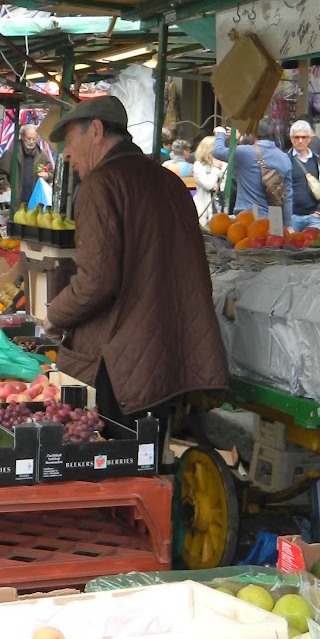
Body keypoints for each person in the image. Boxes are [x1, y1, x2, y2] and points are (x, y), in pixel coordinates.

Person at [42, 96, 228, 423]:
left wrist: (55, 314)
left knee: (117, 465)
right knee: (149, 461)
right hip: (173, 353)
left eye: (70, 141)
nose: (66, 153)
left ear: (96, 131)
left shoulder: (100, 184)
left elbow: (96, 282)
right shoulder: (168, 180)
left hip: (123, 365)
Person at [230, 131, 294, 225]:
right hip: (273, 219)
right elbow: (288, 195)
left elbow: (218, 151)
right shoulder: (284, 157)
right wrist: (288, 225)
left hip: (247, 217)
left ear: (252, 134)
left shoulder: (244, 152)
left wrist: (220, 133)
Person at [287, 119, 320, 232]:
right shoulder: (285, 160)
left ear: (309, 139)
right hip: (293, 217)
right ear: (291, 139)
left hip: (313, 217)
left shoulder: (318, 161)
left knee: (316, 248)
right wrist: (288, 215)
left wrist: (319, 212)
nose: (300, 141)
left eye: (304, 137)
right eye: (296, 137)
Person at [0, 123, 51, 208]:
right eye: (28, 138)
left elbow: (51, 171)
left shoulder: (42, 155)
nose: (31, 142)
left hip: (35, 202)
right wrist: (6, 187)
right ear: (22, 137)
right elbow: (0, 173)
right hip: (15, 202)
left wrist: (47, 175)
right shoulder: (11, 153)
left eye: (34, 139)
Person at [190, 136, 225, 226]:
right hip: (205, 211)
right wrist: (216, 169)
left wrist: (219, 185)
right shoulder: (198, 165)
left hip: (220, 208)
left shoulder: (222, 163)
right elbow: (209, 184)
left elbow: (226, 183)